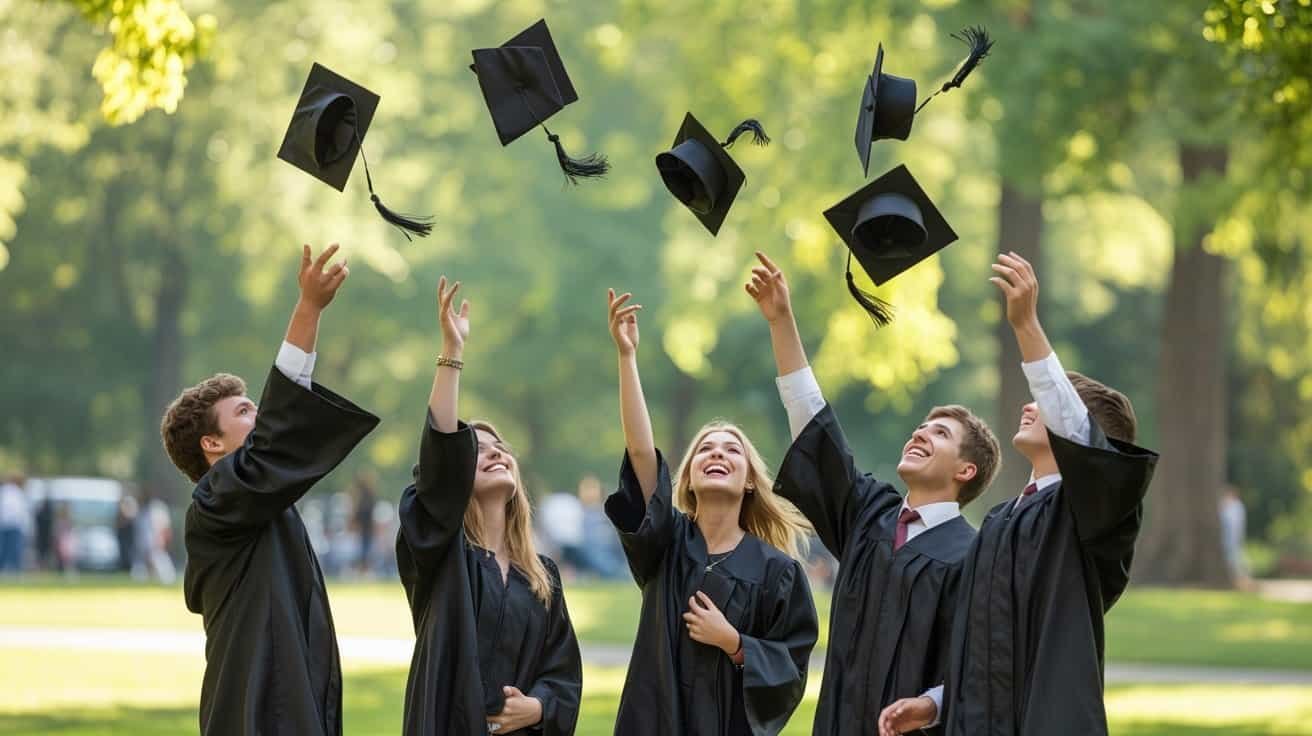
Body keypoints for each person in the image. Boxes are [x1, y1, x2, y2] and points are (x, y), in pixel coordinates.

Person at [879, 252, 1160, 735]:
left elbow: (1075, 427)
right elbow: (991, 647)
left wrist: (1027, 325)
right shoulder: (1000, 520)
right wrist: (935, 703)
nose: (1031, 404)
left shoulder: (1091, 513)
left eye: (1047, 399)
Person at [746, 251, 999, 735]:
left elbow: (981, 664)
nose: (921, 433)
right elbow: (815, 432)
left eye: (941, 434)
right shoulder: (870, 515)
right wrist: (782, 321)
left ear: (967, 470)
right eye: (922, 427)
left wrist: (931, 705)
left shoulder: (974, 555)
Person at [162, 243, 379, 736]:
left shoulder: (259, 506)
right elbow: (275, 443)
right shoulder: (215, 503)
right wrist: (307, 310)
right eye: (243, 412)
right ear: (211, 444)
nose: (258, 415)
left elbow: (277, 439)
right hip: (255, 708)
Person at [604, 287, 819, 736]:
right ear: (686, 480)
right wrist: (627, 358)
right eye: (705, 448)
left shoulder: (778, 572)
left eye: (731, 450)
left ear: (748, 480)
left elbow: (791, 668)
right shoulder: (665, 543)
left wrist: (735, 643)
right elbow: (642, 452)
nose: (717, 453)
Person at [396, 276, 582, 736]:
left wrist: (538, 708)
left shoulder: (542, 576)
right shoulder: (441, 552)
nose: (496, 452)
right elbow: (438, 459)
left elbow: (562, 674)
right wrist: (452, 353)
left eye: (501, 447)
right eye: (477, 449)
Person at [1219, 485, 1254, 590]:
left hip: (1232, 540)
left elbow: (1233, 526)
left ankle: (1245, 580)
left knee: (1236, 561)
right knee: (1235, 560)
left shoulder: (1235, 507)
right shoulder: (1230, 506)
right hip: (1229, 540)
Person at [0, 474, 31, 573]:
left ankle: (6, 568)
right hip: (13, 525)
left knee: (5, 549)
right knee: (13, 549)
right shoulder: (16, 493)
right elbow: (22, 512)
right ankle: (14, 569)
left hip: (6, 524)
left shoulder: (5, 491)